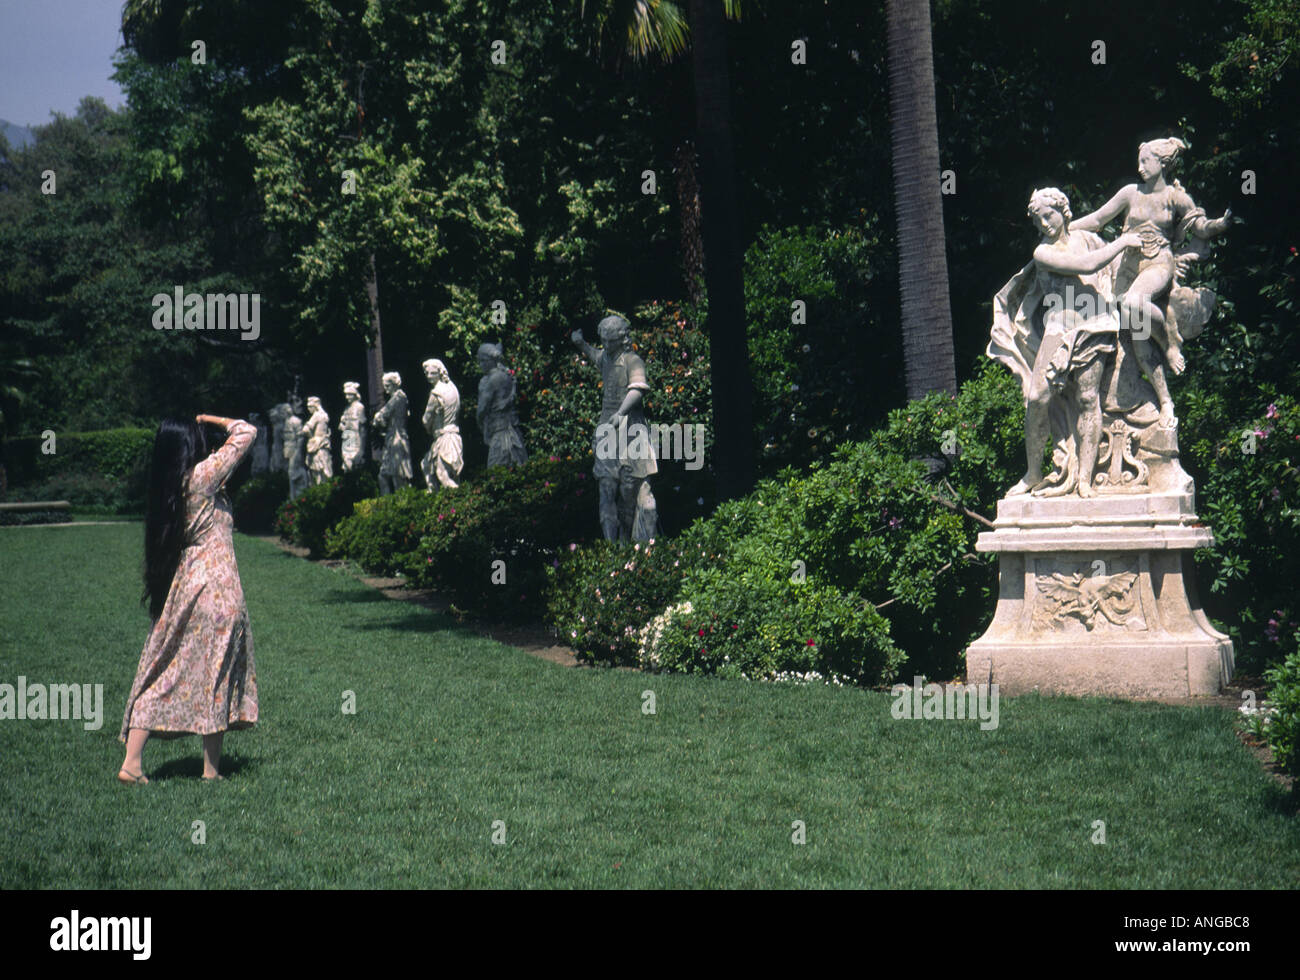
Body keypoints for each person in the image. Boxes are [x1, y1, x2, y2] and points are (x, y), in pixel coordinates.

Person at [117, 415, 259, 784]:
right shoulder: (202, 478)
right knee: (216, 674)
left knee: (164, 669)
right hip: (217, 590)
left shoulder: (174, 486)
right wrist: (209, 418)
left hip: (188, 588)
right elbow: (246, 432)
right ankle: (210, 770)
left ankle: (133, 762)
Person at [990, 187, 1141, 496]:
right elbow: (1088, 266)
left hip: (1094, 323)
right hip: (1060, 326)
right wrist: (1123, 241)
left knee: (1088, 399)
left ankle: (1085, 479)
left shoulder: (1083, 237)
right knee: (1037, 399)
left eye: (1049, 215)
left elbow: (1101, 222)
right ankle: (1033, 472)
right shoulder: (1043, 253)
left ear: (1063, 210)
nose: (1045, 223)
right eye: (1038, 220)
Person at [1072, 138, 1231, 427]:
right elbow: (1097, 219)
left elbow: (1201, 227)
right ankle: (1166, 401)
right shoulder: (1130, 193)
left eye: (1146, 161)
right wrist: (1064, 230)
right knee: (1138, 339)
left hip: (1158, 264)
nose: (1140, 167)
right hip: (1126, 269)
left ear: (1163, 163)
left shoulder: (1175, 197)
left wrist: (1219, 225)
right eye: (1139, 161)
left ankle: (1171, 341)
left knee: (1133, 304)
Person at [571, 315, 659, 540]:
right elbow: (595, 355)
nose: (607, 346)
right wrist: (581, 343)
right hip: (608, 432)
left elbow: (638, 389)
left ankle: (644, 547)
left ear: (622, 339)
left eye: (612, 341)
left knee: (638, 489)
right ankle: (611, 548)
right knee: (606, 489)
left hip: (631, 430)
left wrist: (621, 412)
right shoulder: (607, 358)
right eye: (604, 341)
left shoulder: (632, 360)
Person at [475, 343, 527, 468]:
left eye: (482, 361)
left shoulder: (492, 380)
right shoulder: (506, 375)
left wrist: (481, 425)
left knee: (496, 472)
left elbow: (481, 410)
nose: (480, 364)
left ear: (490, 361)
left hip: (500, 433)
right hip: (513, 429)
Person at [372, 372, 412, 495]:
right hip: (393, 437)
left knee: (397, 475)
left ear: (394, 384)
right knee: (385, 474)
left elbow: (382, 414)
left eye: (387, 386)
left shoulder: (398, 397)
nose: (386, 389)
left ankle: (399, 503)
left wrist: (378, 418)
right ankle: (390, 504)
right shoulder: (399, 398)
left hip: (397, 438)